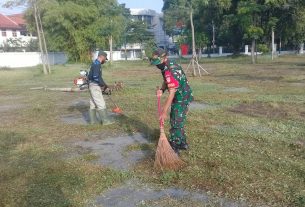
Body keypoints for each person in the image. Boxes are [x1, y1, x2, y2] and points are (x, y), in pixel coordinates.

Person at [151, 48, 193, 154]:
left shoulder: (171, 70)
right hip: (181, 94)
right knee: (178, 119)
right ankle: (182, 142)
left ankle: (175, 146)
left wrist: (163, 112)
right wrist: (162, 89)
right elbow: (166, 80)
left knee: (176, 120)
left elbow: (172, 93)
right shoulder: (166, 65)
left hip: (181, 96)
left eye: (157, 62)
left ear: (164, 58)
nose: (156, 65)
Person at [87, 50, 114, 125]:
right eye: (105, 59)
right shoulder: (97, 64)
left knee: (93, 103)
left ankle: (93, 121)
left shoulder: (95, 63)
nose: (105, 60)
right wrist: (104, 86)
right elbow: (96, 77)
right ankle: (105, 121)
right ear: (102, 57)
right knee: (101, 103)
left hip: (92, 85)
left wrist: (105, 85)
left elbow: (93, 76)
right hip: (95, 86)